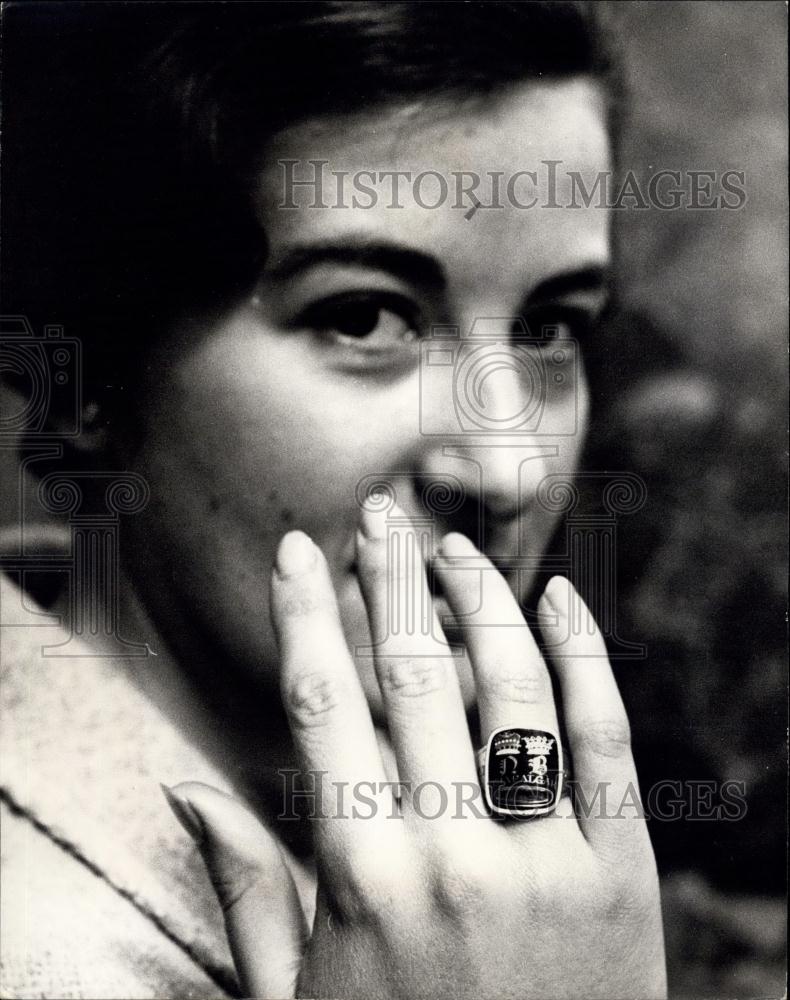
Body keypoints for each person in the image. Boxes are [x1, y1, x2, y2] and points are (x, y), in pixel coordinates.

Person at [0, 3, 667, 997]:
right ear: (88, 377)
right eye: (363, 315)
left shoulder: (497, 876)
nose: (508, 469)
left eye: (549, 326)